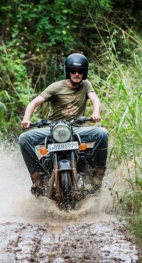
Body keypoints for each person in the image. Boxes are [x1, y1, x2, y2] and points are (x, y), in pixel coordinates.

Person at [19, 53, 108, 195]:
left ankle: (97, 171)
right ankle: (37, 176)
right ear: (68, 71)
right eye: (73, 71)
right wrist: (26, 119)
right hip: (53, 129)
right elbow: (34, 102)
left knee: (102, 133)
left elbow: (94, 99)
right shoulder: (56, 87)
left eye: (80, 72)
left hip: (76, 128)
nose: (77, 74)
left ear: (84, 73)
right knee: (24, 139)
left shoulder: (86, 85)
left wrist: (96, 112)